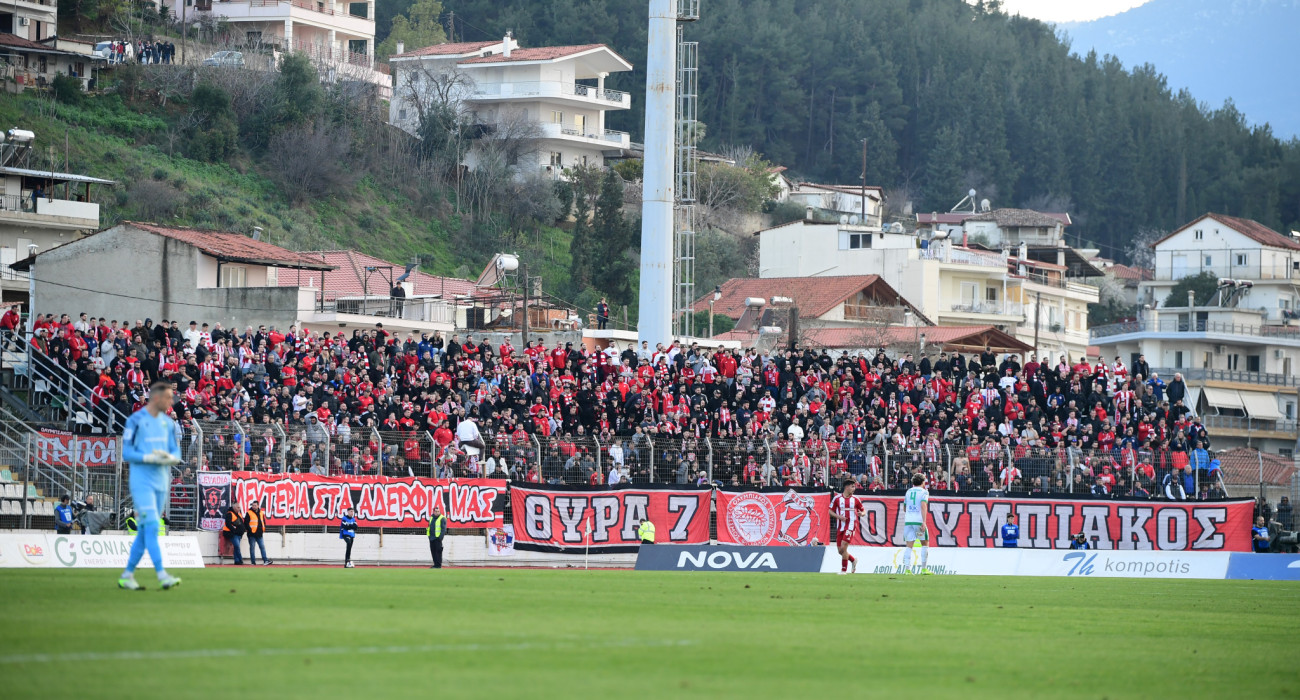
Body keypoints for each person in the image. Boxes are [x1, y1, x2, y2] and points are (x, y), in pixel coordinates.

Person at [117, 381, 183, 591]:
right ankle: (162, 575)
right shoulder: (136, 420)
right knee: (153, 526)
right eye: (168, 397)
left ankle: (127, 576)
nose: (171, 401)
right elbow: (127, 453)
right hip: (142, 481)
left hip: (162, 481)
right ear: (157, 398)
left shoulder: (167, 423)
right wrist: (150, 457)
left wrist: (167, 457)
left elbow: (176, 454)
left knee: (146, 530)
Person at [900, 474, 934, 575]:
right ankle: (923, 569)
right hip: (918, 521)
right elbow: (923, 505)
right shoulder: (924, 492)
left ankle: (907, 570)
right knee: (925, 543)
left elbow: (905, 508)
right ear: (923, 482)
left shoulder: (908, 491)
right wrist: (924, 521)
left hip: (908, 521)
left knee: (909, 546)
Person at [829, 479, 863, 574]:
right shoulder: (837, 498)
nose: (854, 488)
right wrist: (838, 516)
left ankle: (843, 571)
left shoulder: (856, 499)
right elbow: (830, 511)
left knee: (843, 548)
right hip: (840, 527)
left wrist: (862, 513)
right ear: (846, 487)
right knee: (840, 551)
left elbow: (863, 511)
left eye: (854, 486)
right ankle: (853, 560)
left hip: (851, 526)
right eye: (852, 486)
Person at [243, 501, 272, 565]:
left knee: (262, 547)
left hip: (259, 534)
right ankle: (253, 562)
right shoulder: (249, 513)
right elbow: (246, 523)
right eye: (253, 505)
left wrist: (262, 529)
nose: (254, 506)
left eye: (255, 505)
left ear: (258, 506)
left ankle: (265, 560)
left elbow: (263, 521)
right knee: (252, 548)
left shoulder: (261, 513)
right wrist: (250, 530)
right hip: (251, 534)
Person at [427, 503, 446, 569]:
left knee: (438, 552)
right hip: (431, 538)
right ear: (433, 512)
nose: (437, 512)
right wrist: (429, 536)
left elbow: (443, 529)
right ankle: (435, 564)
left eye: (438, 511)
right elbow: (429, 527)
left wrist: (440, 538)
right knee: (433, 552)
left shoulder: (442, 518)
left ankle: (438, 565)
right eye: (436, 511)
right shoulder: (431, 518)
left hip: (437, 538)